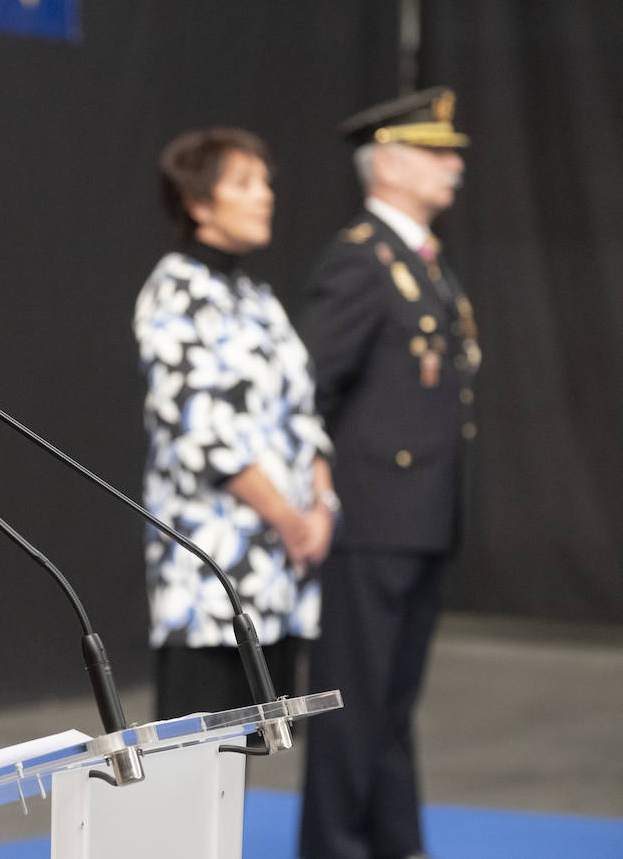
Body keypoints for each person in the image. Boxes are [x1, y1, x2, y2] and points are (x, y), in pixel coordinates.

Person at [298, 87, 478, 859]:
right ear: (392, 163)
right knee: (354, 700)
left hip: (421, 512)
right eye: (438, 152)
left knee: (394, 700)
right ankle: (335, 846)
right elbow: (302, 387)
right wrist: (319, 491)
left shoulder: (421, 262)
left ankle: (394, 840)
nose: (455, 167)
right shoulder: (361, 260)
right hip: (371, 517)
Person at [134, 128, 336, 724]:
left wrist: (322, 505)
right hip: (211, 575)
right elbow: (203, 433)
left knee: (248, 755)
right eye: (244, 184)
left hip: (278, 571)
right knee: (193, 769)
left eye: (266, 182)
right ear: (198, 203)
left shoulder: (256, 296)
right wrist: (290, 519)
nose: (265, 195)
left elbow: (306, 414)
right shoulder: (173, 291)